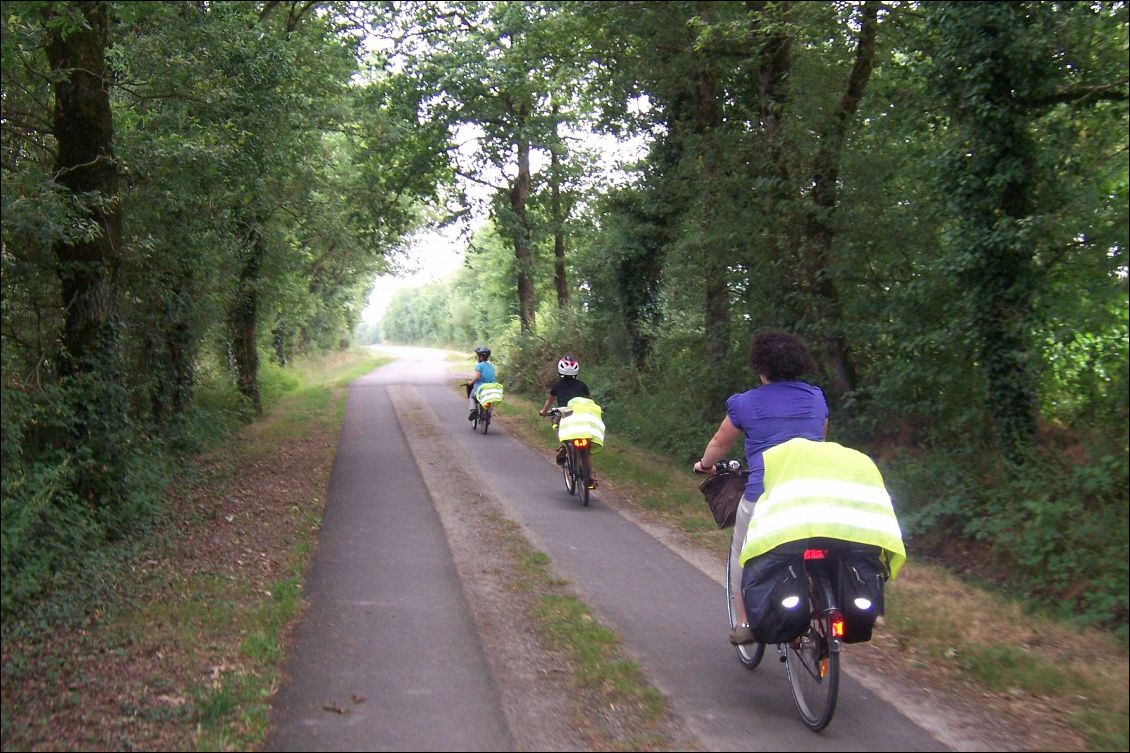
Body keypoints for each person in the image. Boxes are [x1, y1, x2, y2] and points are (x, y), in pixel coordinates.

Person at [692, 330, 828, 645]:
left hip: (765, 497)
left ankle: (744, 623)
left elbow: (718, 444)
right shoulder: (815, 397)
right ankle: (821, 603)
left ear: (760, 368)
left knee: (744, 554)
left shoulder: (745, 403)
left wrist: (705, 465)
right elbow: (822, 440)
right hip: (816, 495)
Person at [539, 355, 598, 488]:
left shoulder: (557, 386)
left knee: (559, 427)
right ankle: (589, 479)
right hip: (582, 416)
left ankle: (564, 448)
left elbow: (550, 401)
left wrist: (543, 412)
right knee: (586, 449)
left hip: (565, 415)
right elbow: (589, 400)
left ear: (560, 371)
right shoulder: (582, 385)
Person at [466, 345, 497, 420]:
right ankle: (488, 413)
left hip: (480, 387)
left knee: (472, 397)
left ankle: (473, 410)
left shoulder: (479, 365)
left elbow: (477, 377)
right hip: (491, 387)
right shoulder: (491, 366)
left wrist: (471, 382)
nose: (476, 357)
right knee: (491, 399)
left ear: (481, 357)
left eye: (477, 356)